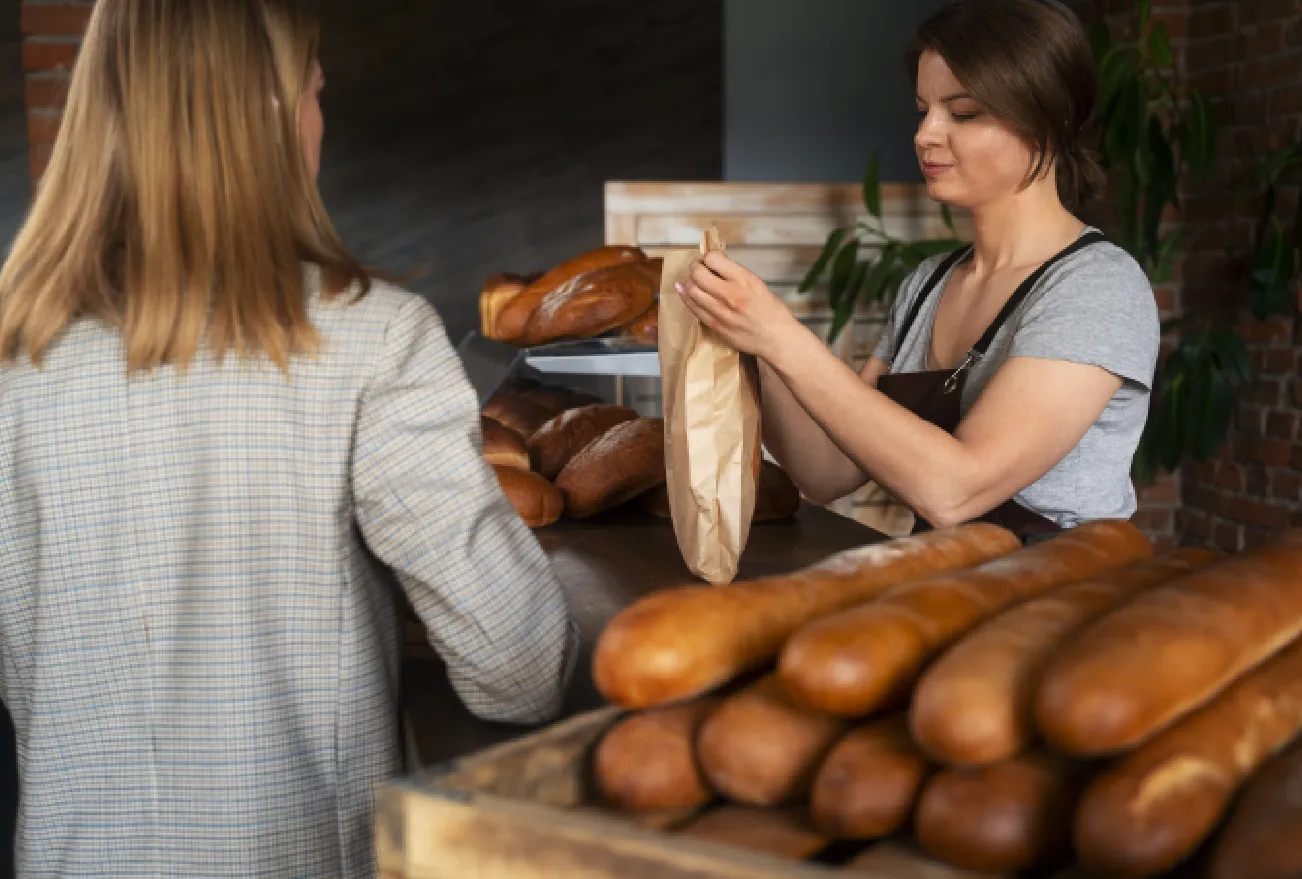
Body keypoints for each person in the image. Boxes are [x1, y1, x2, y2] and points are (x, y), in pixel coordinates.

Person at [0, 1, 577, 876]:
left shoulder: (14, 350)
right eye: (315, 91)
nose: (321, 119)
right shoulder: (374, 337)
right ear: (270, 114)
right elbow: (520, 668)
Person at [679, 0, 1158, 541]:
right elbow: (825, 472)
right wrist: (757, 342)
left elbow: (958, 490)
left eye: (963, 113)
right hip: (943, 587)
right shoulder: (928, 284)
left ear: (1048, 121)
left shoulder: (1096, 287)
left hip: (1056, 602)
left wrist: (783, 337)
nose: (925, 134)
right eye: (922, 110)